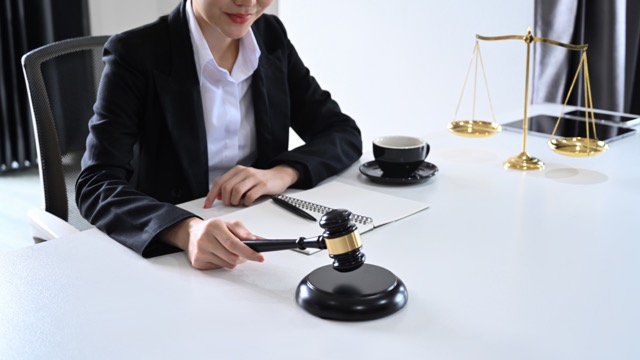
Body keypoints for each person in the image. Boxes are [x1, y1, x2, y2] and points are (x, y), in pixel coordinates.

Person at [76, 0, 362, 270]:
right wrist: (185, 230)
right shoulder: (135, 53)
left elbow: (341, 132)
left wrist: (282, 172)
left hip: (262, 234)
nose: (248, 2)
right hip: (170, 254)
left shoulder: (271, 36)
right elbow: (96, 183)